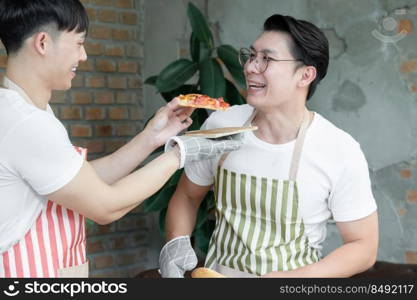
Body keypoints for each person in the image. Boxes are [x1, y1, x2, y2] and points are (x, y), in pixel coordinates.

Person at [0, 0, 241, 278]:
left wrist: (152, 137)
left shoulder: (22, 110)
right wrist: (179, 154)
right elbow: (106, 205)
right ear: (43, 43)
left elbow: (83, 179)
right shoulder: (26, 124)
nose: (84, 56)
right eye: (79, 44)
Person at [159, 14, 379, 278]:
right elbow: (187, 196)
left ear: (305, 75)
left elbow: (363, 247)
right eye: (251, 56)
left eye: (267, 59)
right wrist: (176, 243)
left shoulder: (339, 149)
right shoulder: (222, 125)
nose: (251, 67)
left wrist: (290, 280)